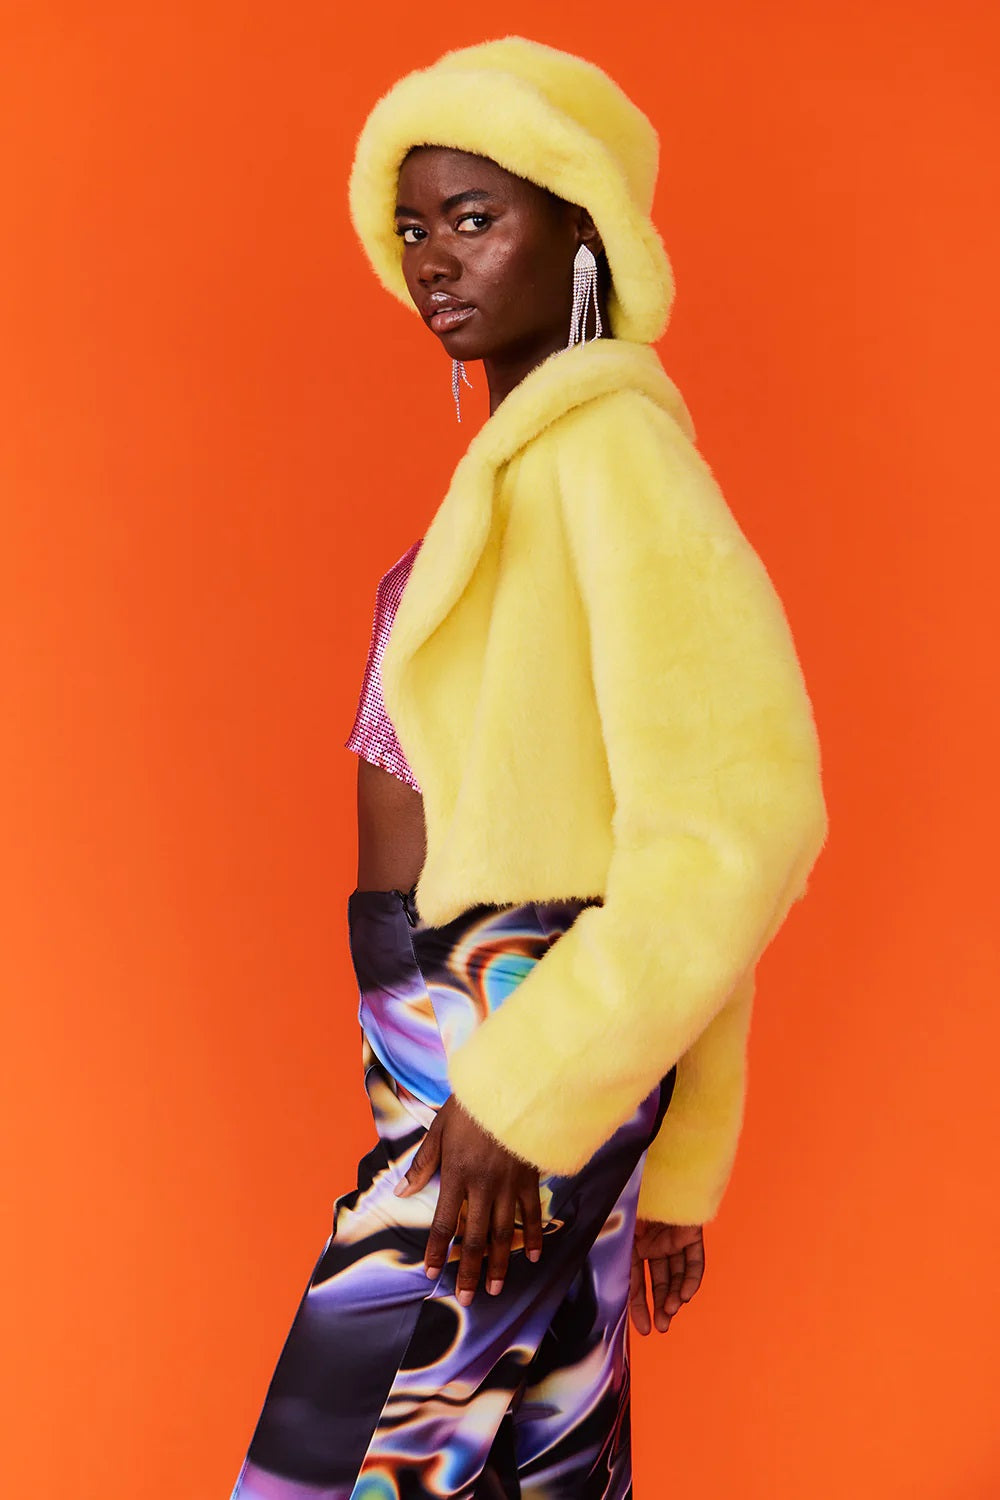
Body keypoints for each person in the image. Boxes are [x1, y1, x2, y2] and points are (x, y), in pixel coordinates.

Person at [229, 36, 828, 1500]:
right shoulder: (521, 465)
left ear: (583, 233)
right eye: (414, 226)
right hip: (455, 1042)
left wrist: (537, 1089)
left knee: (345, 1457)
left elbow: (735, 823)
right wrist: (658, 1151)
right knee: (541, 1460)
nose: (434, 259)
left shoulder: (615, 455)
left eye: (475, 218)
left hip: (518, 1030)